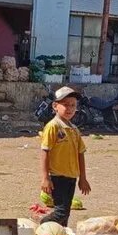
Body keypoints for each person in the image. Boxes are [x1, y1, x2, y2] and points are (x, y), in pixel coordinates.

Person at [39, 87, 91, 225]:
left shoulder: (74, 129)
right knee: (61, 212)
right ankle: (42, 225)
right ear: (55, 106)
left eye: (73, 105)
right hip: (57, 177)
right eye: (65, 104)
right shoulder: (53, 126)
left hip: (71, 177)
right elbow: (45, 151)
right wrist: (45, 178)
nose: (70, 108)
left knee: (65, 214)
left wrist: (83, 178)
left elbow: (80, 154)